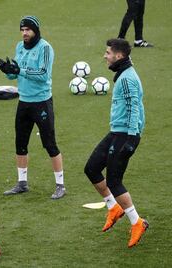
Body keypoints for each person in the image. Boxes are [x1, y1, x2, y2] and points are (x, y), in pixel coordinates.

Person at [84, 38, 148, 248]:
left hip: (125, 135)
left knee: (114, 181)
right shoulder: (124, 73)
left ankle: (137, 222)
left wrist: (130, 139)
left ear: (119, 56)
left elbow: (134, 108)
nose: (105, 56)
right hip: (116, 132)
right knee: (92, 168)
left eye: (108, 53)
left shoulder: (127, 78)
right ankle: (114, 207)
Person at [0, 16, 66, 199]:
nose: (24, 33)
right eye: (22, 30)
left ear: (36, 30)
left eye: (28, 29)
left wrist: (19, 71)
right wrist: (9, 71)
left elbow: (43, 74)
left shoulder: (45, 48)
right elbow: (17, 74)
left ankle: (60, 185)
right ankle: (22, 183)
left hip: (41, 102)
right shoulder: (19, 46)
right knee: (20, 143)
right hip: (24, 101)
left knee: (50, 143)